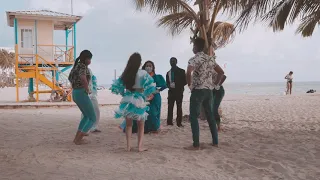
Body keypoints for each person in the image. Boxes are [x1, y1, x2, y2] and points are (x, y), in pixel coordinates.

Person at [110, 53, 156, 152]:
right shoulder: (143, 73)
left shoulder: (126, 73)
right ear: (139, 63)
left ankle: (128, 146)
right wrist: (147, 95)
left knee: (128, 125)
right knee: (141, 124)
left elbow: (118, 87)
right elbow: (150, 86)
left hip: (127, 99)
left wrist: (124, 94)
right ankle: (139, 147)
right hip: (139, 98)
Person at [185, 38, 225, 150]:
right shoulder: (210, 59)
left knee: (193, 117)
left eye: (193, 45)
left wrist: (189, 85)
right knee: (210, 116)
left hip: (198, 91)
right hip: (209, 91)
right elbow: (221, 72)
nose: (193, 47)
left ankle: (196, 144)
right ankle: (215, 142)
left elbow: (188, 72)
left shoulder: (194, 59)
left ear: (196, 47)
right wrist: (215, 85)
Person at [119, 61, 167, 133]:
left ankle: (154, 128)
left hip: (155, 97)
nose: (148, 67)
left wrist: (157, 91)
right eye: (147, 66)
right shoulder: (141, 77)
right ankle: (141, 129)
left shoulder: (158, 77)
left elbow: (164, 85)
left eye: (150, 66)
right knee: (141, 113)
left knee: (153, 113)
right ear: (144, 68)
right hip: (143, 97)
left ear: (153, 67)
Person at [68, 50, 96, 145]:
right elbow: (83, 77)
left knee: (86, 116)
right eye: (89, 59)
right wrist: (87, 89)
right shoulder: (82, 66)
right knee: (92, 117)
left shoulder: (76, 66)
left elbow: (70, 78)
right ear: (85, 59)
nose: (90, 61)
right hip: (81, 92)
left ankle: (76, 139)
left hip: (75, 92)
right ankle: (79, 139)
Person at [166, 57, 187, 127]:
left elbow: (185, 82)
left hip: (179, 91)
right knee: (170, 107)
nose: (172, 62)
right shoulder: (168, 73)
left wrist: (176, 84)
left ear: (176, 62)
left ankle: (179, 123)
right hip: (171, 92)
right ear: (169, 63)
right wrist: (169, 85)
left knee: (179, 107)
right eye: (171, 61)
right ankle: (169, 122)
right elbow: (167, 83)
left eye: (173, 61)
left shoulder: (182, 71)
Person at [81, 68, 101, 133]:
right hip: (85, 92)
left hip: (92, 92)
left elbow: (92, 81)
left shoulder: (89, 69)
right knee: (85, 112)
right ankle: (85, 128)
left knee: (96, 110)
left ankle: (94, 127)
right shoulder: (81, 69)